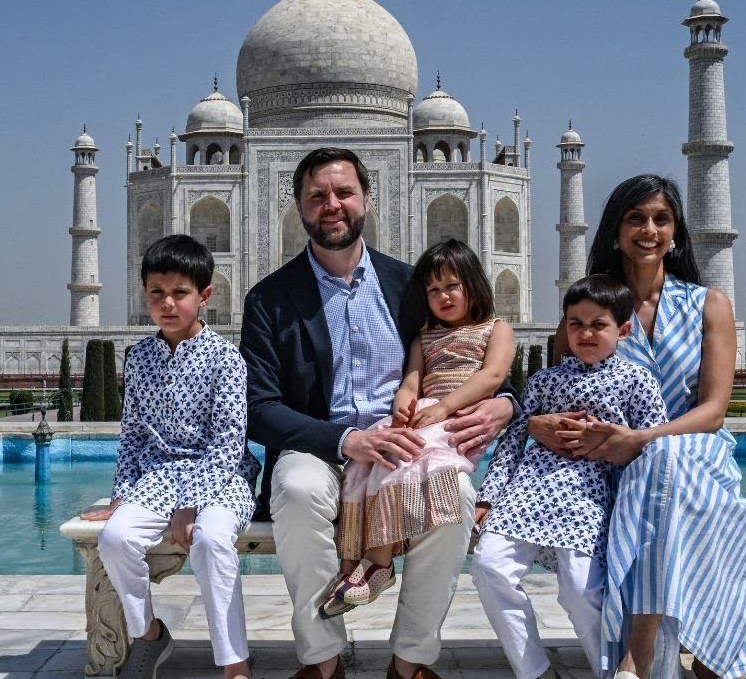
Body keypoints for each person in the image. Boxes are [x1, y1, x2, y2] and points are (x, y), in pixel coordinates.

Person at [240, 147, 517, 679]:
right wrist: (347, 440)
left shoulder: (409, 285)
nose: (332, 205)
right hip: (320, 448)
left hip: (405, 446)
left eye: (343, 192)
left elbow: (475, 352)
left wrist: (505, 404)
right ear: (298, 205)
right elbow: (260, 409)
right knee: (295, 489)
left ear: (367, 198)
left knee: (455, 494)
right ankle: (322, 662)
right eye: (317, 195)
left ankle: (410, 661)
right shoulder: (270, 299)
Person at [529, 175, 746, 679]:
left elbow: (712, 411)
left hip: (697, 454)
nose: (649, 230)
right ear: (616, 230)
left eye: (661, 219)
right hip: (607, 468)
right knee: (662, 477)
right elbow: (559, 396)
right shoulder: (589, 315)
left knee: (662, 461)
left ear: (676, 231)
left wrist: (641, 439)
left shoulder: (708, 305)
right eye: (636, 218)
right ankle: (701, 656)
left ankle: (639, 657)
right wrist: (542, 424)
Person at [80, 234, 260, 679]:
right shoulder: (140, 358)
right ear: (145, 293)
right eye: (157, 293)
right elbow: (135, 436)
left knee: (213, 541)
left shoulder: (226, 359)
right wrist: (121, 495)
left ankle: (234, 664)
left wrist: (192, 504)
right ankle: (148, 633)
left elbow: (228, 443)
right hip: (158, 478)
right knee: (115, 539)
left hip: (222, 478)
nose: (167, 303)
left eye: (180, 293)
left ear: (204, 295)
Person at [469, 274, 667, 679]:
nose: (586, 333)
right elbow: (513, 441)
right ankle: (535, 670)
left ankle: (610, 670)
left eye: (598, 324)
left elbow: (656, 444)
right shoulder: (546, 380)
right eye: (576, 324)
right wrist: (489, 497)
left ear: (623, 329)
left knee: (580, 591)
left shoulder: (635, 381)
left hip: (587, 498)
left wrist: (613, 445)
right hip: (529, 492)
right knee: (489, 567)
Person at [331, 238, 514, 609]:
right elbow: (412, 381)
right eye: (434, 290)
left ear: (473, 285)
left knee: (398, 460)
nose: (443, 296)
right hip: (426, 416)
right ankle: (351, 561)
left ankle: (379, 562)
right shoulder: (425, 336)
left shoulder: (496, 329)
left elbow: (492, 378)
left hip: (457, 421)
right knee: (365, 463)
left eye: (452, 287)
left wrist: (444, 407)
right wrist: (402, 407)